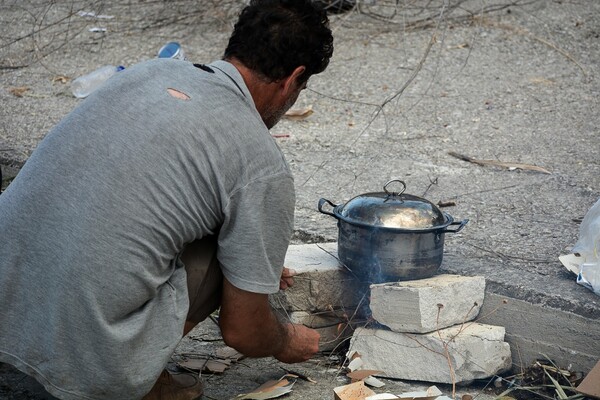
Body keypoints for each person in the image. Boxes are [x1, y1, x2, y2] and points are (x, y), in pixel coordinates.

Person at [0, 0, 334, 399]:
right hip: (92, 360)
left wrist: (253, 264)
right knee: (225, 247)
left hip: (8, 306)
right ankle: (133, 381)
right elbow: (243, 331)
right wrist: (284, 340)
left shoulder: (150, 72)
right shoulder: (261, 160)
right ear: (293, 78)